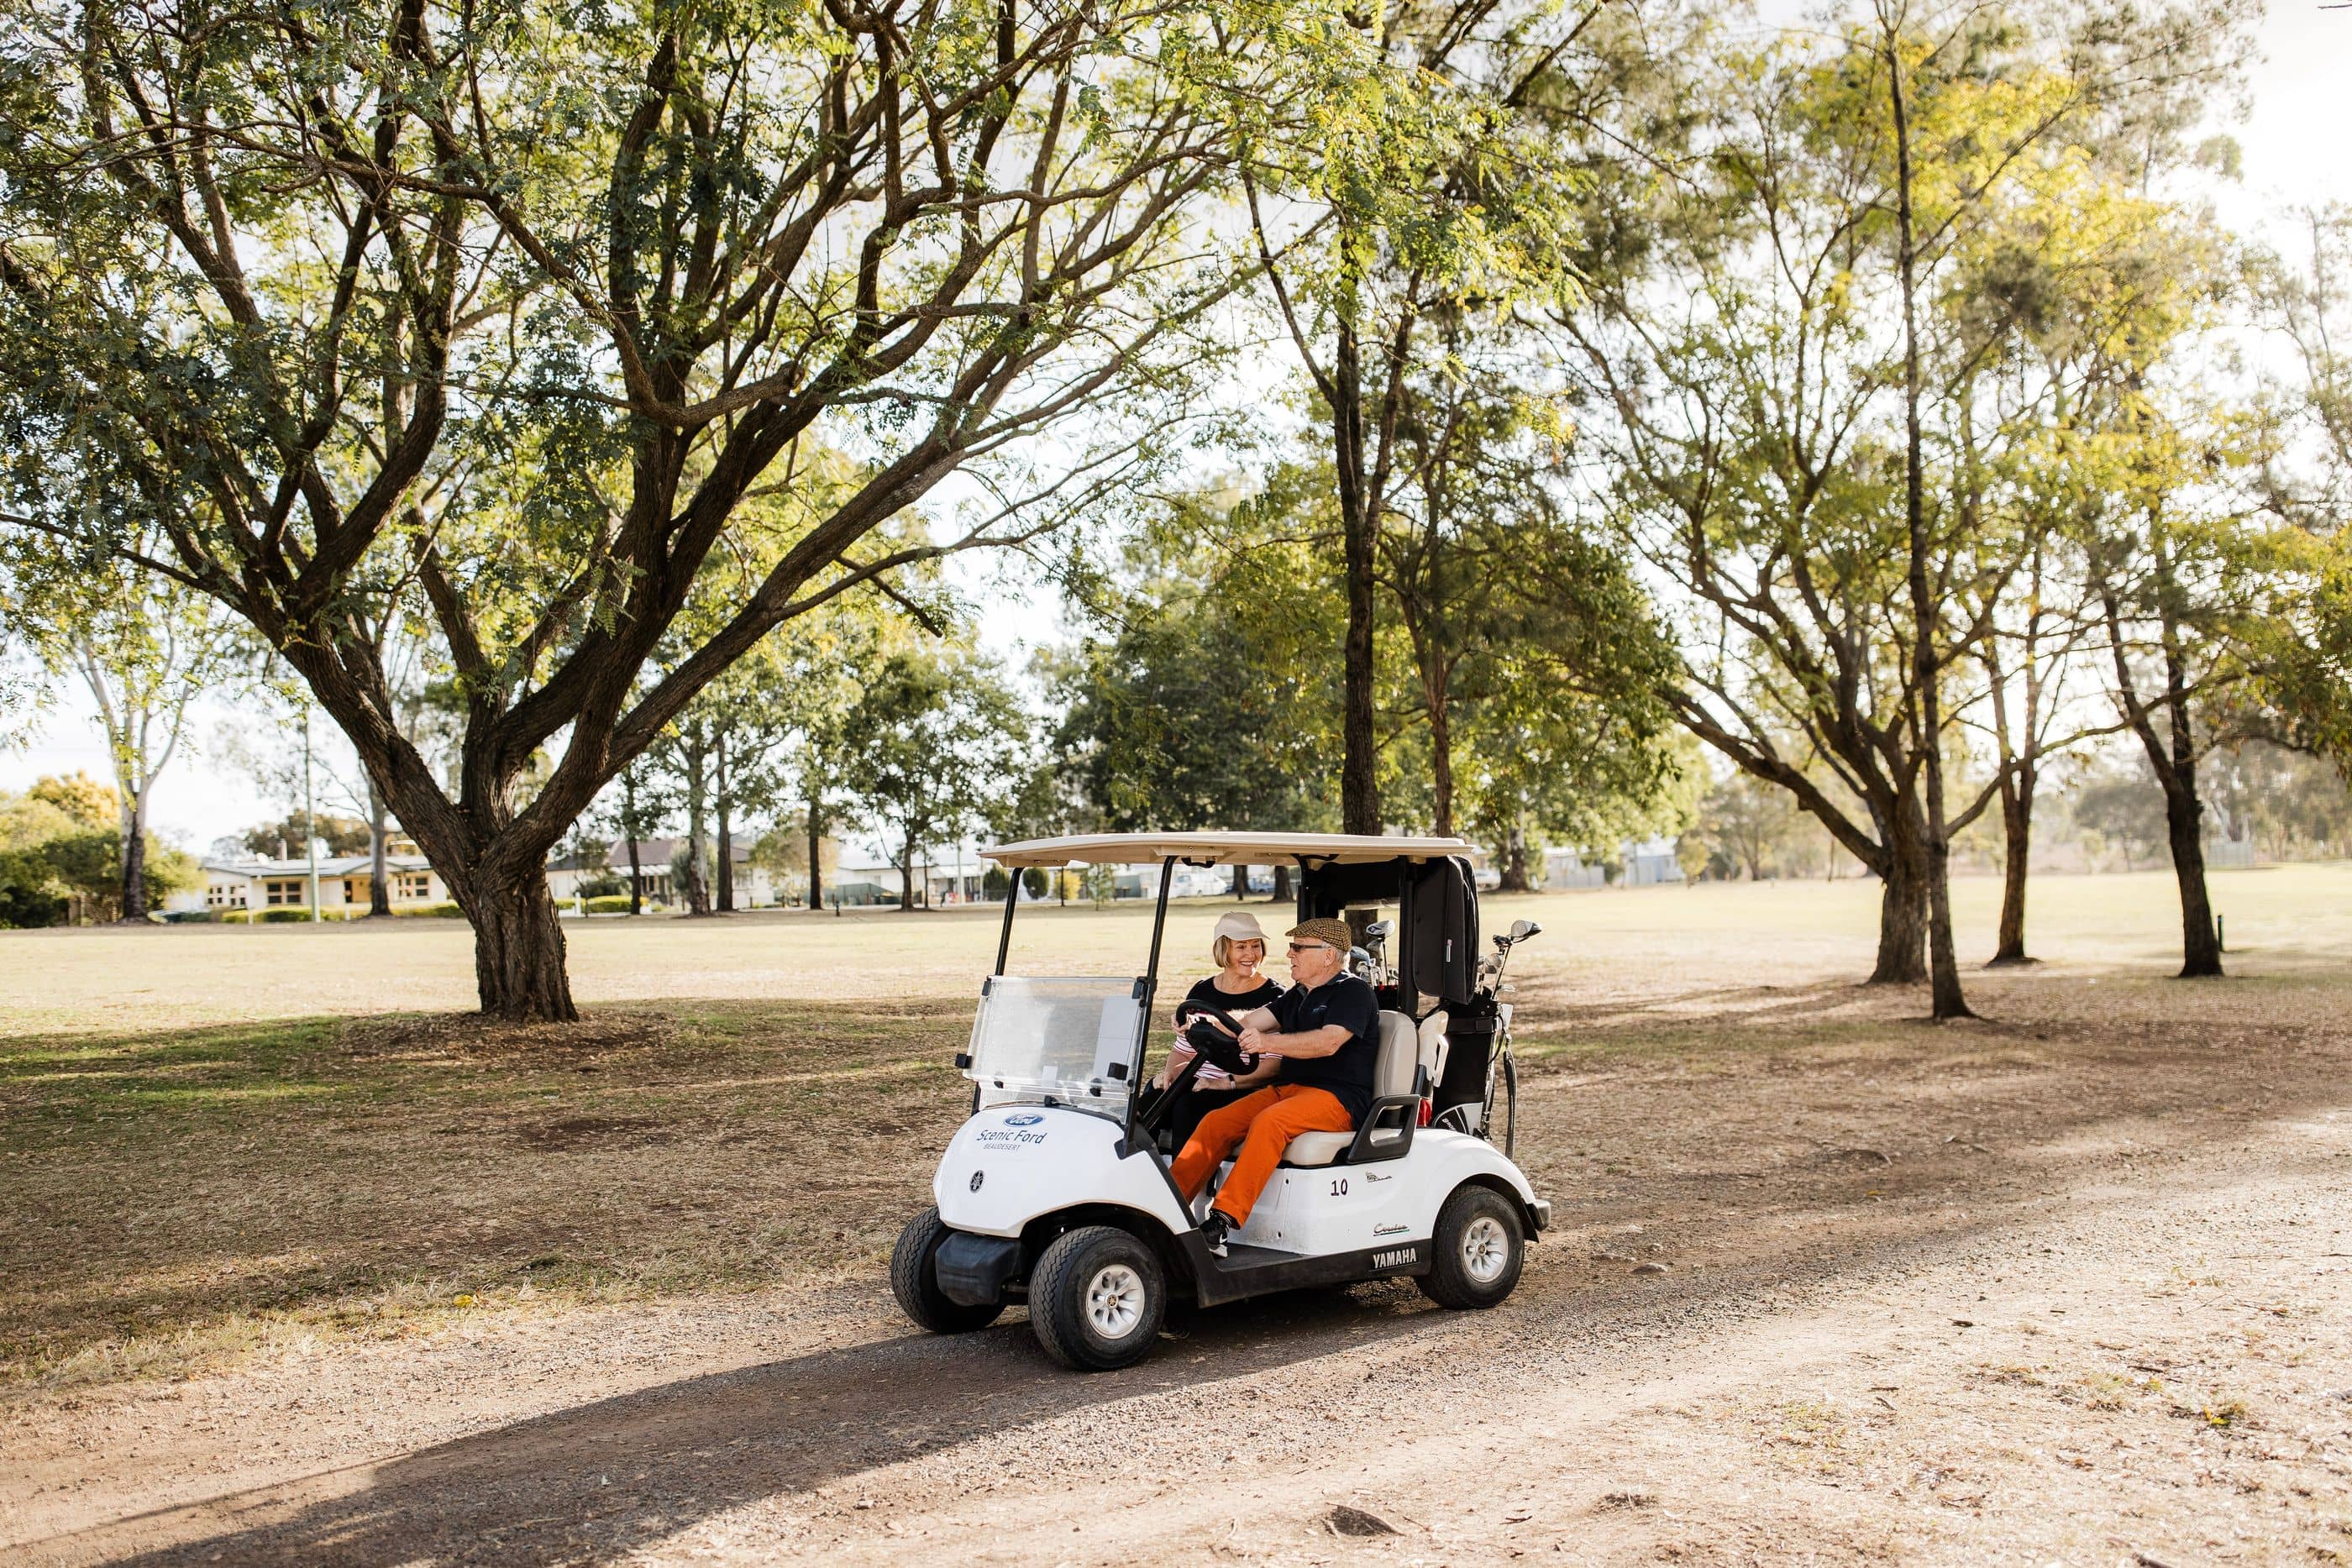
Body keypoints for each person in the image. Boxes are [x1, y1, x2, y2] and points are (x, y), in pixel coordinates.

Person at [1167, 917, 1380, 1256]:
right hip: (1292, 1088)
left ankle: (1221, 1222)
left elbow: (1328, 1042)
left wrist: (1268, 1042)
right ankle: (1164, 1213)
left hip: (1338, 1099)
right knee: (1216, 1122)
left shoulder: (1352, 992)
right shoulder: (1298, 994)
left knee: (1271, 1122)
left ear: (1328, 956)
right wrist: (1200, 1022)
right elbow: (1249, 1022)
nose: (1289, 954)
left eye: (1298, 948)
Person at [1138, 910, 1283, 1146]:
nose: (1251, 955)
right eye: (1241, 947)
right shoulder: (1202, 992)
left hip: (1242, 1085)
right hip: (1199, 1080)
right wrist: (1171, 1074)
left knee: (1188, 1107)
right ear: (1223, 949)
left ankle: (1186, 1182)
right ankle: (1142, 1173)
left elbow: (1274, 1065)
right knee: (1148, 1102)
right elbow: (1183, 1050)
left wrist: (1224, 1082)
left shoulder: (1276, 997)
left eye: (1256, 946)